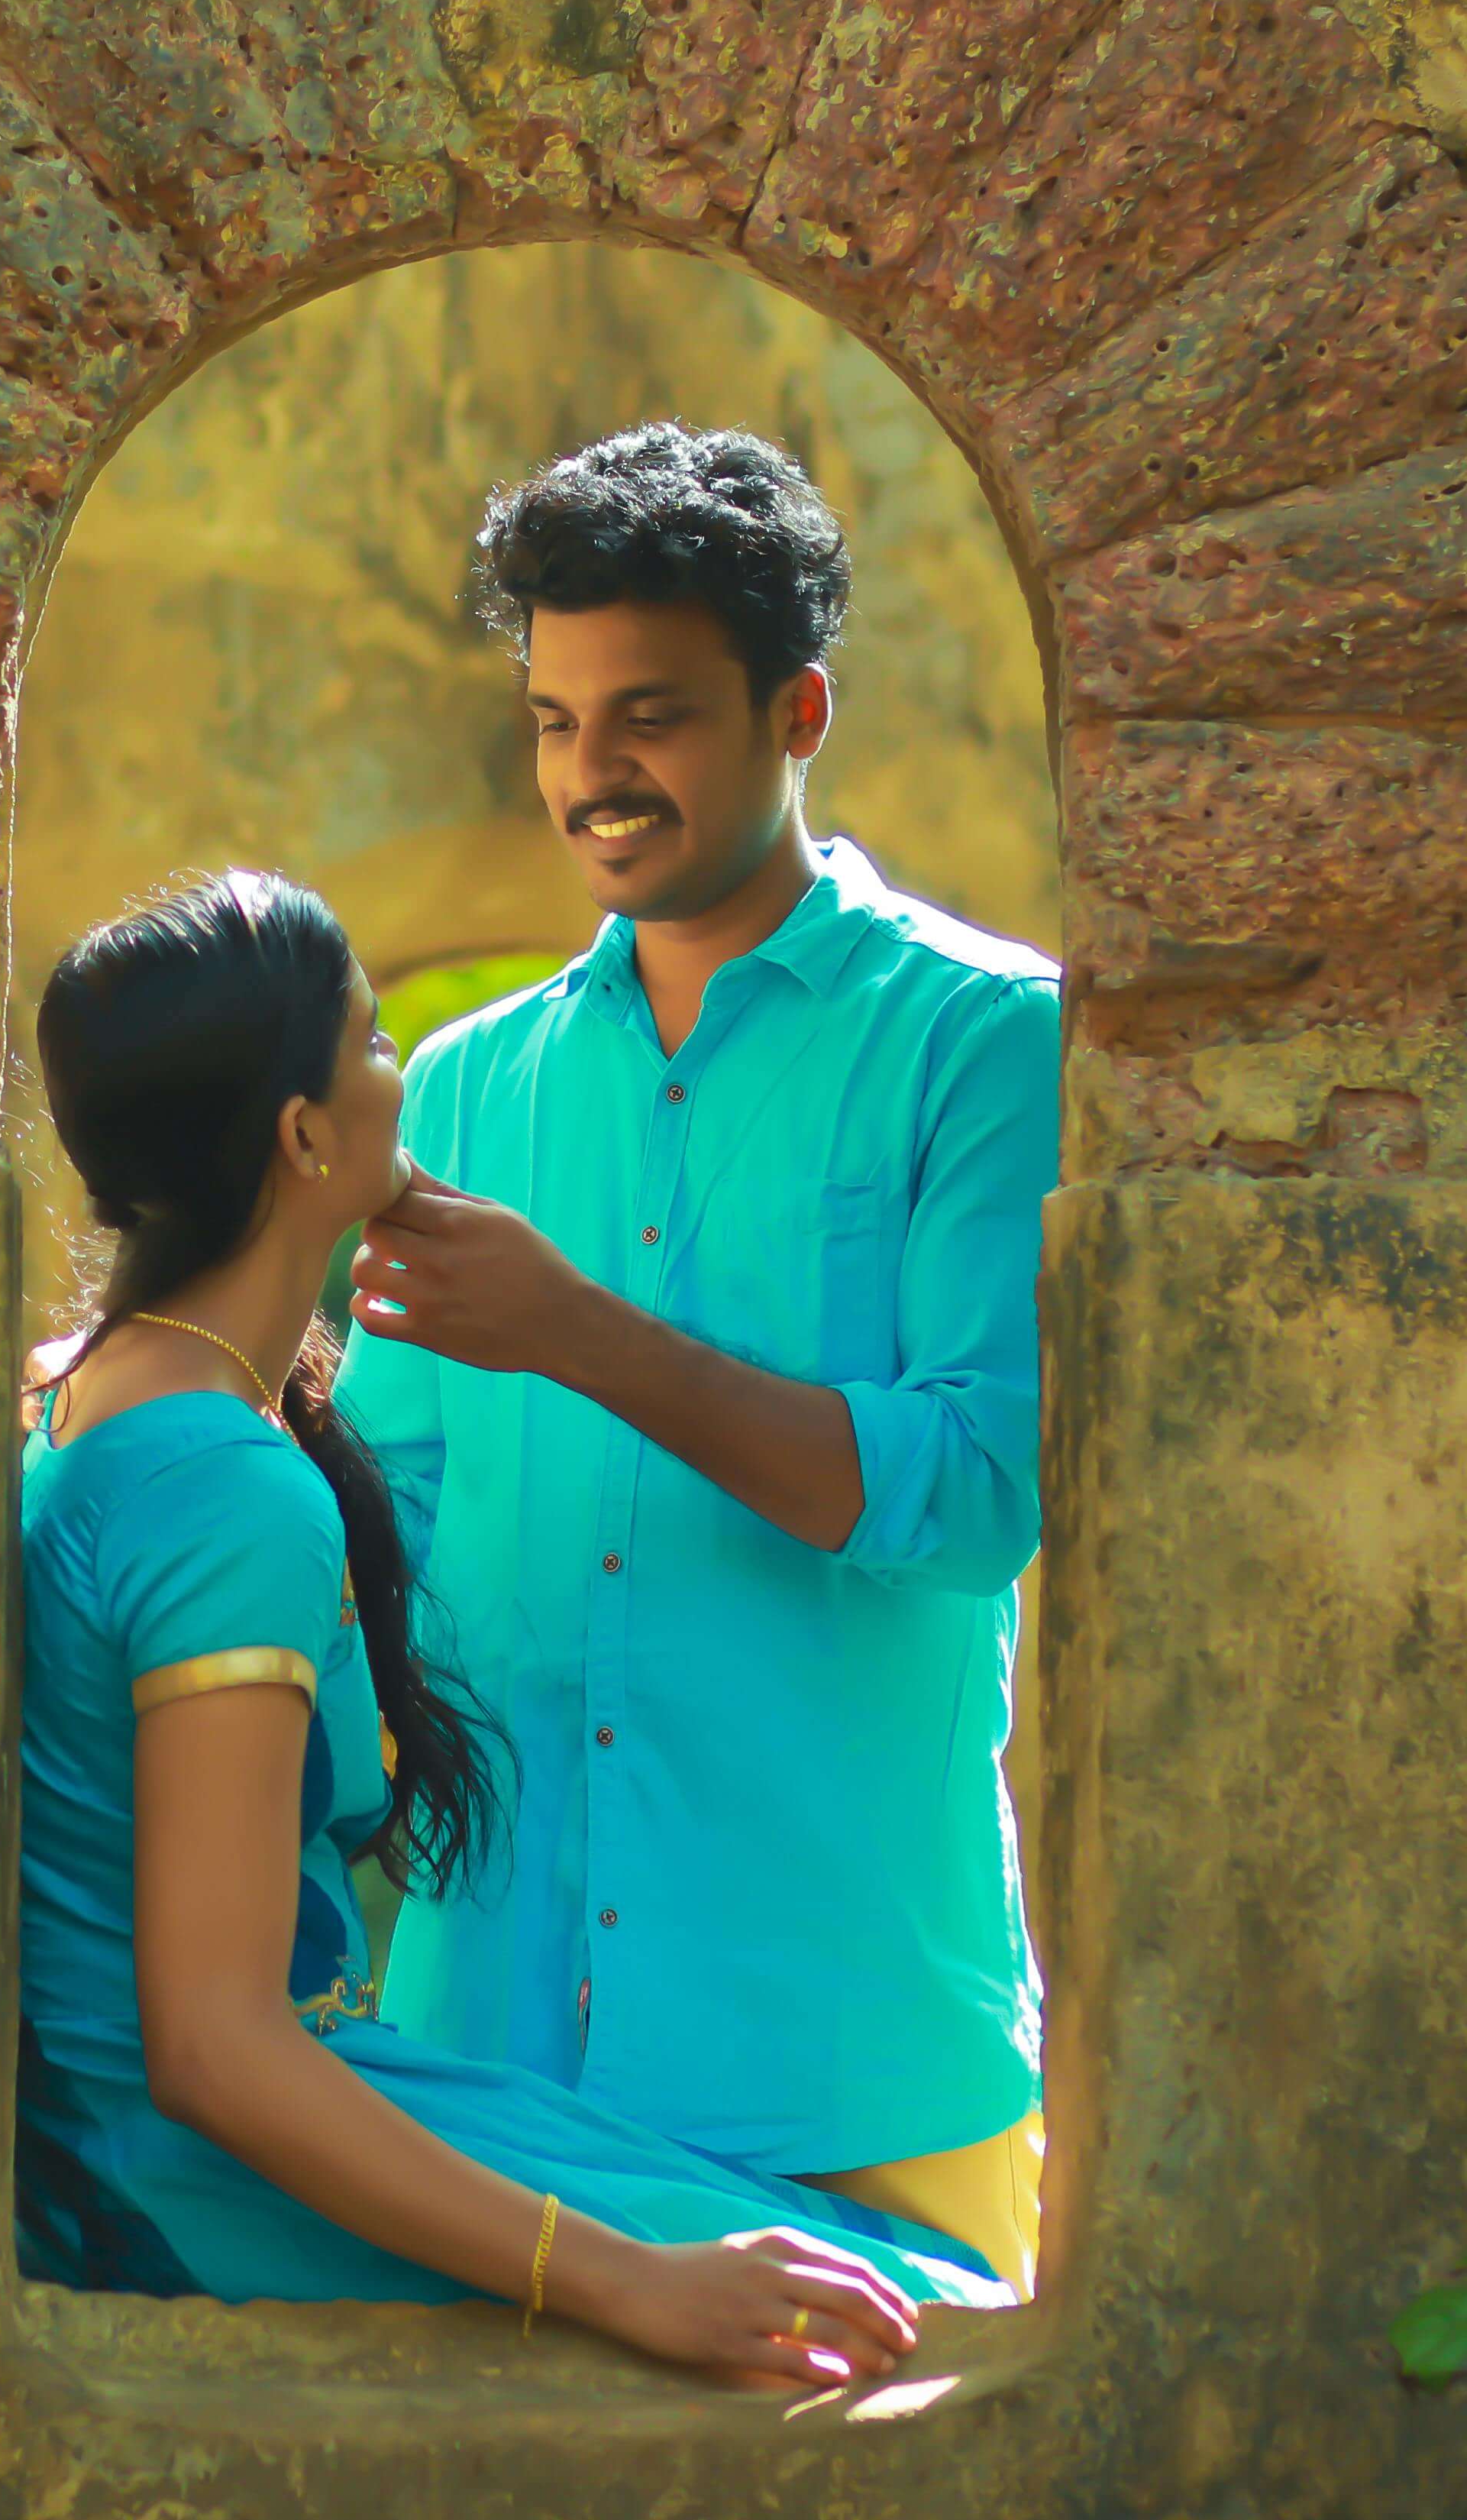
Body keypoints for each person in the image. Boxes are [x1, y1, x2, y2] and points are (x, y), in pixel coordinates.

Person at [13, 870, 1010, 2376]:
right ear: (300, 1135)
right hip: (200, 2177)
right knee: (908, 2322)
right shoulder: (226, 1482)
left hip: (215, 2117)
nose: (406, 1067)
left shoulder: (95, 1391)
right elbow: (216, 2046)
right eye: (368, 1044)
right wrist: (620, 2281)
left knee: (884, 2283)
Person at [341, 425, 1065, 2292]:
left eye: (649, 714)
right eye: (557, 719)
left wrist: (576, 1333)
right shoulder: (470, 1086)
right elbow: (395, 1530)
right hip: (488, 2053)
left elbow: (977, 1493)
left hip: (848, 2054)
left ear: (797, 705)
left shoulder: (985, 1044)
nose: (595, 774)